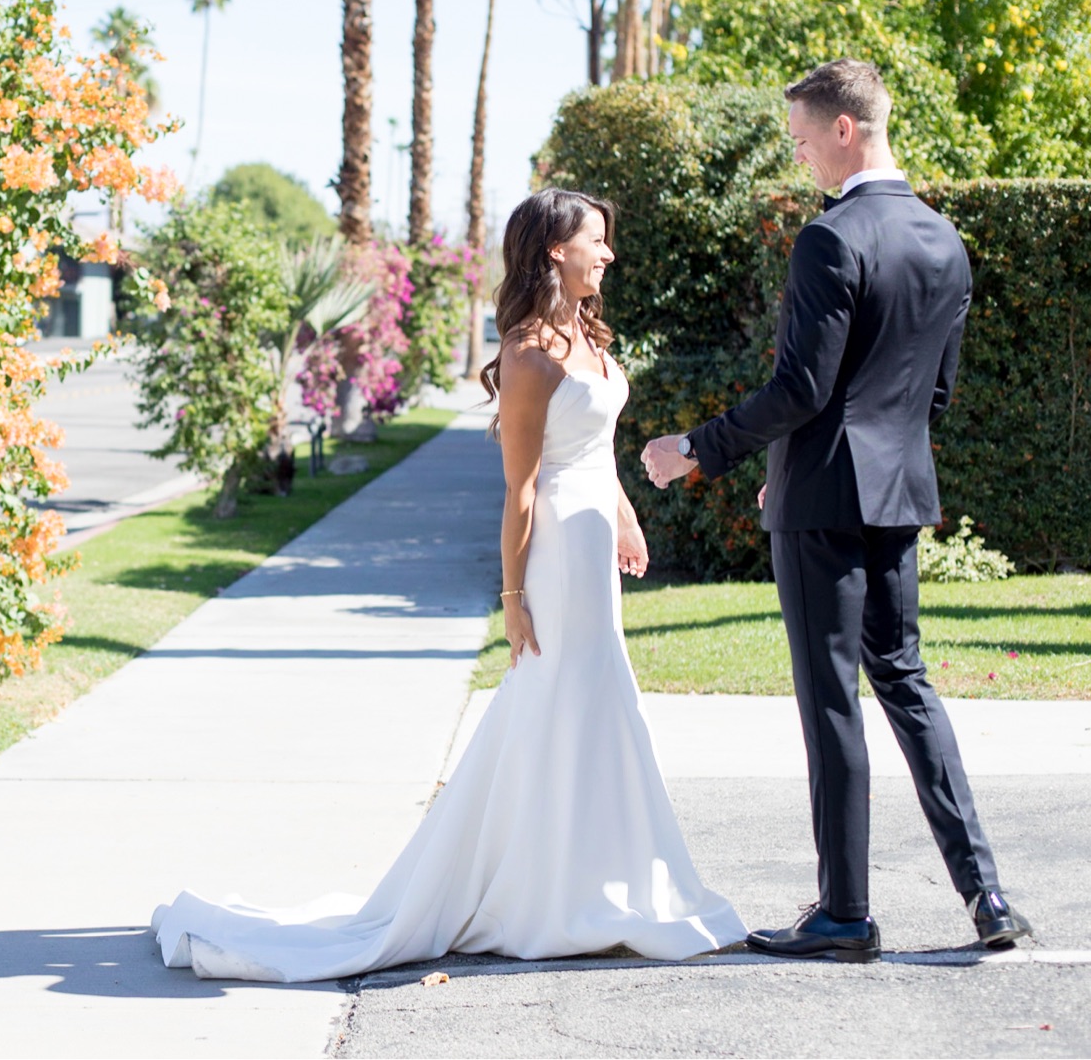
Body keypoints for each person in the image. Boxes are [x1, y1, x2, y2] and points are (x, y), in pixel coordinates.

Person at [151, 188, 746, 982]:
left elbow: (598, 451)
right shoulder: (531, 354)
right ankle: (543, 891)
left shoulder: (589, 334)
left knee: (596, 697)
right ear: (550, 253)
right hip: (558, 552)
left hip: (596, 532)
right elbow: (523, 488)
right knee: (558, 694)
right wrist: (512, 596)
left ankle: (598, 879)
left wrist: (627, 516)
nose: (606, 253)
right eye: (592, 241)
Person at [640, 58, 1034, 963]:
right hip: (897, 493)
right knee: (907, 682)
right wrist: (853, 461)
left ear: (846, 129)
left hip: (824, 502)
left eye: (805, 140)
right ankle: (987, 895)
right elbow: (933, 395)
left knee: (832, 703)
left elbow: (803, 387)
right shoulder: (945, 240)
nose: (802, 156)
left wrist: (693, 448)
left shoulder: (830, 237)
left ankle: (846, 912)